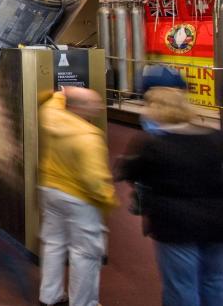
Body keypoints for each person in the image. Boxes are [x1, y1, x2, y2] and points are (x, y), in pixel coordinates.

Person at [117, 87, 223, 306]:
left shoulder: (153, 145)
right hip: (216, 222)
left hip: (175, 225)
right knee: (214, 280)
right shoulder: (215, 138)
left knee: (181, 285)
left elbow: (127, 172)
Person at [38, 87, 118, 306]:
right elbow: (95, 180)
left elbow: (50, 102)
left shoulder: (51, 116)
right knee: (85, 254)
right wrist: (109, 200)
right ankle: (83, 303)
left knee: (53, 244)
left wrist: (60, 92)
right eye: (94, 104)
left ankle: (49, 295)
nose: (100, 108)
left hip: (50, 190)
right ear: (78, 107)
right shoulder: (89, 136)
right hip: (80, 199)